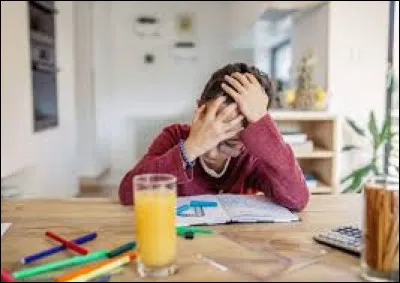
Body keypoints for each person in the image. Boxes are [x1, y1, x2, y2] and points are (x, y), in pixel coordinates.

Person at [119, 63, 309, 211]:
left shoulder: (253, 153)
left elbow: (297, 199)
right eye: (217, 121)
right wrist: (191, 148)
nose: (229, 131)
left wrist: (263, 124)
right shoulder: (175, 136)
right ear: (199, 111)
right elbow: (127, 194)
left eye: (242, 124)